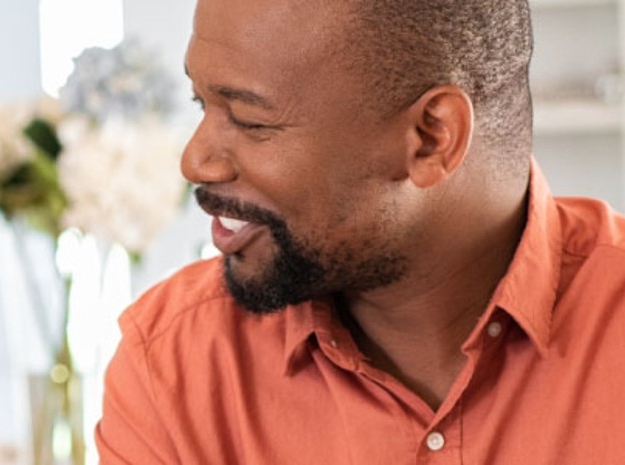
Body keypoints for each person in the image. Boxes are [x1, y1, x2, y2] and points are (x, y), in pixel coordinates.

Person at [97, 0, 625, 463]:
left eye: (250, 121)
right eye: (201, 103)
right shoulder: (172, 367)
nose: (195, 162)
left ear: (430, 137)